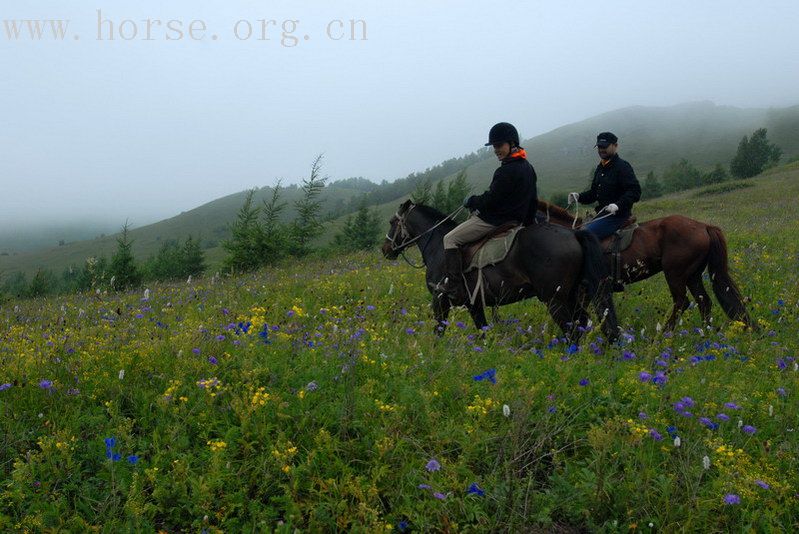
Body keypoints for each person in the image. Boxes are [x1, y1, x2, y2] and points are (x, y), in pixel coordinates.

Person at [436, 122, 538, 302]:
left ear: (511, 143)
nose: (496, 150)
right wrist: (527, 223)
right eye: (494, 146)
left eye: (499, 146)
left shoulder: (505, 170)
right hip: (516, 220)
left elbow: (490, 200)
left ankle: (453, 285)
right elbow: (533, 200)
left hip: (495, 220)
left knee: (449, 239)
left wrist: (472, 201)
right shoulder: (528, 167)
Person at [568, 132, 641, 240]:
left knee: (584, 237)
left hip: (617, 217)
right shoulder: (600, 168)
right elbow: (593, 193)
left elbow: (635, 191)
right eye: (599, 147)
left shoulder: (622, 167)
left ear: (615, 146)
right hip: (602, 216)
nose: (601, 150)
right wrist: (578, 197)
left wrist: (618, 205)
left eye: (605, 146)